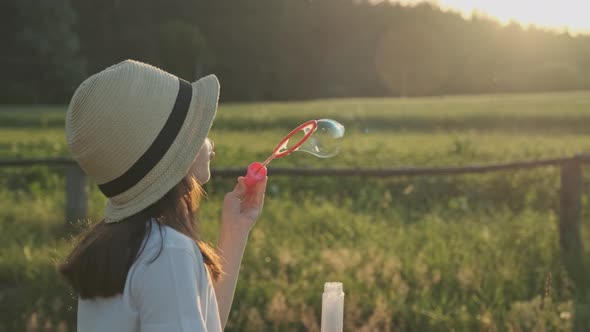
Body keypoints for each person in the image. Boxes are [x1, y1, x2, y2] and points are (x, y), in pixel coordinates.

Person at [59, 59, 267, 332]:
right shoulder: (166, 252)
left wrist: (236, 230)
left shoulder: (120, 244)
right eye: (199, 130)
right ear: (174, 151)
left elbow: (204, 322)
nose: (210, 139)